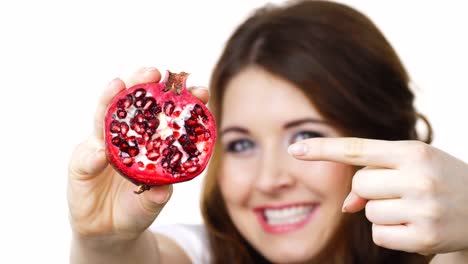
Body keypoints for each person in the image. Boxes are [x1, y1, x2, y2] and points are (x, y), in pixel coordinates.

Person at [67, 1, 468, 263]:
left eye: (303, 138)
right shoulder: (199, 255)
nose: (270, 180)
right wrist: (103, 242)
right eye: (241, 144)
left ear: (382, 139)